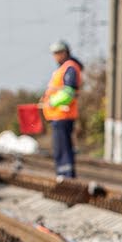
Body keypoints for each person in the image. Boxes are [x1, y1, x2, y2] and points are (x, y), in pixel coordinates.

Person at [41, 41, 84, 179]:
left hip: (63, 115)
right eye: (54, 53)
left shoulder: (70, 68)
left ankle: (66, 176)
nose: (55, 56)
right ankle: (63, 175)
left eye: (58, 53)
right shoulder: (64, 68)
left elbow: (69, 92)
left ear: (65, 52)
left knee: (63, 149)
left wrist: (52, 102)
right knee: (60, 148)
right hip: (58, 115)